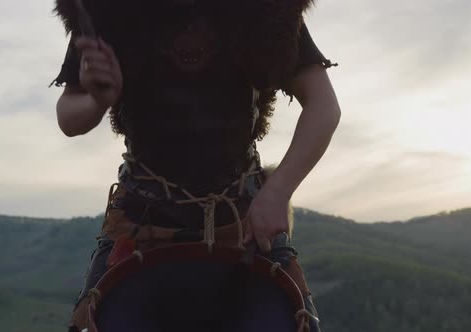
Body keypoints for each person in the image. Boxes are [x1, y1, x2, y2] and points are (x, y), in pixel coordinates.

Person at [52, 0, 340, 331]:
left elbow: (323, 105)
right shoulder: (108, 10)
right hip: (140, 222)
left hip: (241, 222)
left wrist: (277, 192)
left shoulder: (267, 9)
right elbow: (68, 114)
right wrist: (96, 100)